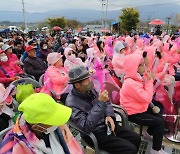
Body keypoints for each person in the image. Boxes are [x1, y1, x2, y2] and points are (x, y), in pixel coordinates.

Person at [66, 65, 141, 154]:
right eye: (86, 80)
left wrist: (109, 115)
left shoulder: (88, 90)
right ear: (77, 85)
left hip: (106, 124)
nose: (90, 81)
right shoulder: (72, 103)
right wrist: (100, 103)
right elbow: (86, 126)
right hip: (96, 133)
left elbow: (106, 102)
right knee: (130, 149)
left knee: (136, 138)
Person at [120, 54, 167, 154]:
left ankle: (148, 133)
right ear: (134, 67)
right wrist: (150, 81)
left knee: (159, 110)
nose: (144, 67)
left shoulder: (136, 77)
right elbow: (146, 98)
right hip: (133, 113)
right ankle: (155, 150)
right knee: (159, 122)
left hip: (140, 106)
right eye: (141, 65)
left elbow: (147, 94)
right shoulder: (130, 83)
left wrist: (147, 79)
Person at [0, 93, 72, 154]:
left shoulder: (55, 129)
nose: (58, 123)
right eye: (53, 121)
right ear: (36, 127)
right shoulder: (14, 147)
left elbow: (73, 148)